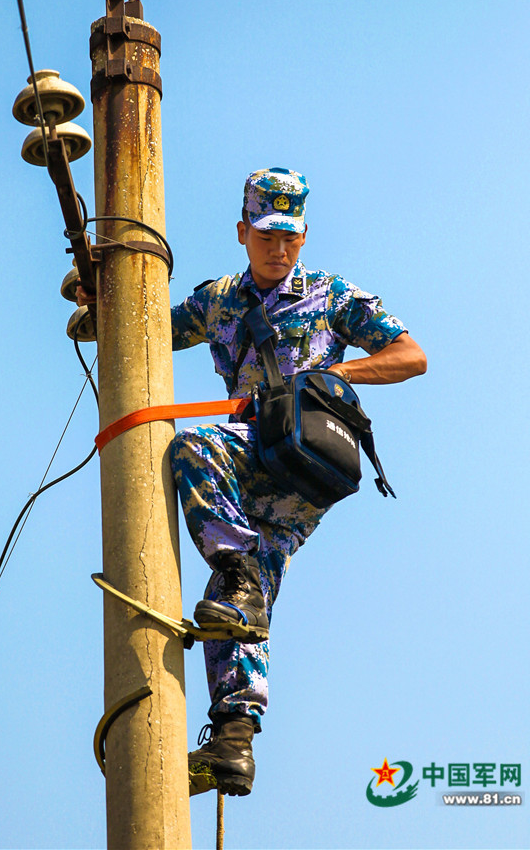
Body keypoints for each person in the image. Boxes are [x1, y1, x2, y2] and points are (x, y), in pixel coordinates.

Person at [77, 167, 427, 799]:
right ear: (243, 232)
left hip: (304, 459)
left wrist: (334, 377)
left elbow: (411, 356)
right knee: (234, 604)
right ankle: (234, 741)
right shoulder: (218, 301)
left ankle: (237, 570)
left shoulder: (331, 295)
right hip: (252, 461)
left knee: (195, 448)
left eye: (290, 238)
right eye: (267, 236)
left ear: (304, 237)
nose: (279, 249)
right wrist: (100, 295)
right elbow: (144, 330)